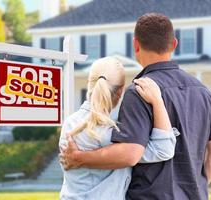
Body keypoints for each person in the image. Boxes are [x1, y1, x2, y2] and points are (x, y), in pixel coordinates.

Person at [61, 13, 211, 200]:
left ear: (136, 45)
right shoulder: (202, 91)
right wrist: (196, 188)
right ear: (174, 44)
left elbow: (130, 152)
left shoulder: (139, 91)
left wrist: (80, 158)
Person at [59, 57, 179, 200]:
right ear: (121, 91)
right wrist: (157, 101)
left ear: (89, 83)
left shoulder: (70, 123)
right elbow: (163, 149)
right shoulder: (113, 132)